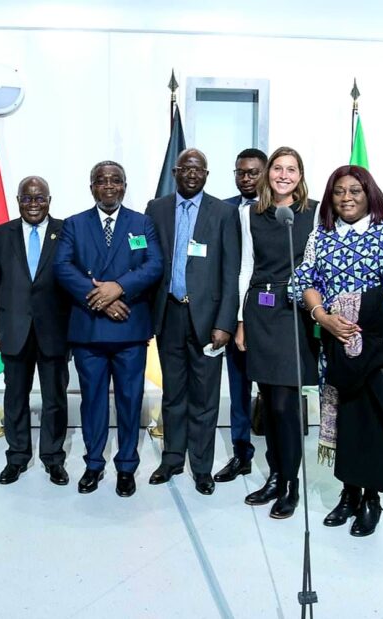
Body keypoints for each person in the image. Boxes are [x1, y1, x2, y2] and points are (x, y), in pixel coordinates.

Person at [292, 164, 383, 534]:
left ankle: (371, 499)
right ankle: (348, 494)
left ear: (368, 193)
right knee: (342, 419)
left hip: (374, 345)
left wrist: (353, 317)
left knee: (372, 422)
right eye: (339, 191)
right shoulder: (321, 235)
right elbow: (303, 280)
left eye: (355, 191)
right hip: (334, 342)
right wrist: (323, 316)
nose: (347, 198)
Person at [53, 161, 163, 497]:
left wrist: (118, 288)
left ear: (125, 186)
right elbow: (63, 267)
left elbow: (154, 264)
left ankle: (127, 466)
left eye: (116, 180)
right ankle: (94, 464)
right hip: (89, 330)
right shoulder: (74, 224)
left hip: (130, 328)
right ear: (92, 187)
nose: (109, 186)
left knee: (130, 401)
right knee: (93, 402)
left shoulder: (142, 223)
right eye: (102, 181)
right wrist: (100, 298)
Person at [146, 148, 239, 495]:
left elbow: (230, 273)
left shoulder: (224, 213)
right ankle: (171, 459)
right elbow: (148, 261)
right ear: (175, 171)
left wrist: (225, 323)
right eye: (185, 168)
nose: (191, 174)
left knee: (204, 397)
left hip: (207, 319)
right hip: (168, 313)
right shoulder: (156, 209)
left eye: (198, 169)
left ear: (207, 174)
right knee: (172, 394)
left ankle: (201, 467)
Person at [235, 146, 318, 519]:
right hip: (260, 311)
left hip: (294, 312)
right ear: (268, 173)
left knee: (286, 405)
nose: (284, 175)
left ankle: (290, 483)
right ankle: (274, 478)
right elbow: (245, 268)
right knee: (268, 402)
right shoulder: (250, 214)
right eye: (278, 169)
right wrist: (240, 321)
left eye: (292, 169)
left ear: (300, 175)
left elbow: (317, 265)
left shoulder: (314, 213)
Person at [0, 176, 71, 486]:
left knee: (55, 399)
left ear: (50, 199)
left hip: (55, 331)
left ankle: (53, 458)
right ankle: (17, 457)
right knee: (15, 398)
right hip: (13, 330)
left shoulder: (66, 231)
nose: (33, 204)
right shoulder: (1, 233)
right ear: (17, 200)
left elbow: (73, 283)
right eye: (27, 198)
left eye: (39, 198)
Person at [215, 147, 266, 484]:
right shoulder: (224, 210)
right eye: (239, 172)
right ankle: (241, 453)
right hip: (235, 314)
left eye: (252, 172)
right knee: (238, 389)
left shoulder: (281, 210)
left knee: (276, 393)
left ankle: (280, 462)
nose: (245, 178)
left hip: (270, 314)